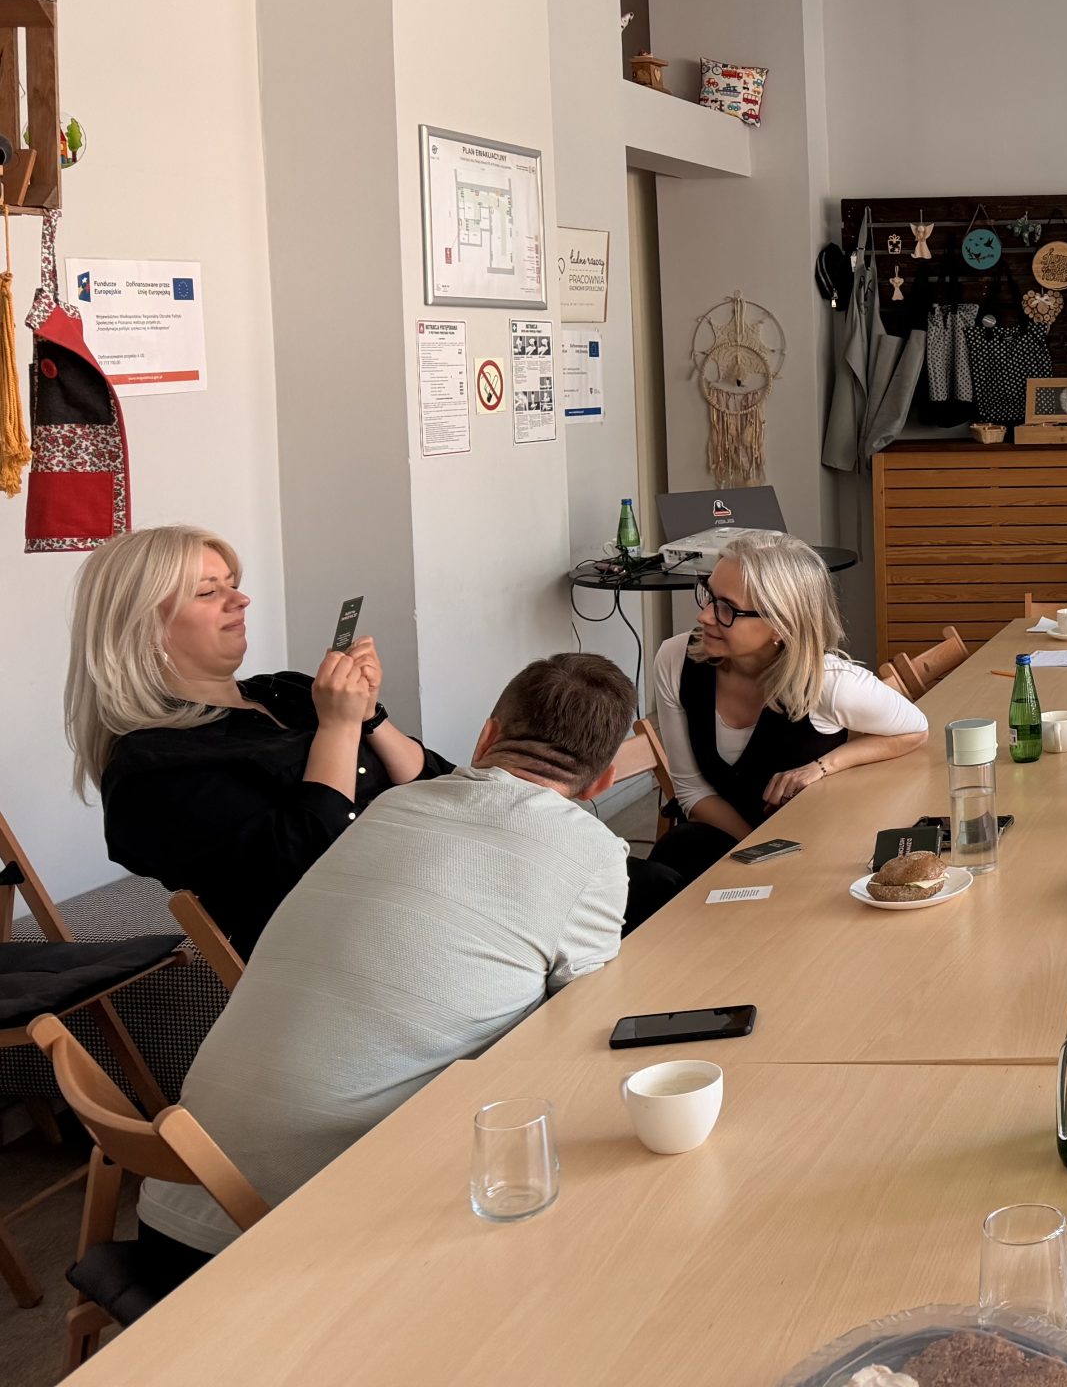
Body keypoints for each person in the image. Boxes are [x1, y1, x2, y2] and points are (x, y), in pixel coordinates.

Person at [137, 652, 638, 1268]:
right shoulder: (591, 852)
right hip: (294, 1247)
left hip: (175, 1196)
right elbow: (580, 1026)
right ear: (602, 782)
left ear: (486, 737)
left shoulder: (390, 807)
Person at [68, 525, 448, 955]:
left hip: (438, 897)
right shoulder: (151, 761)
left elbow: (443, 788)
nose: (241, 600)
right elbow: (303, 868)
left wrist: (369, 717)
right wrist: (338, 728)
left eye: (233, 584)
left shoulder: (288, 691)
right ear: (143, 626)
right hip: (349, 954)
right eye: (207, 592)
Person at [638, 531, 928, 900]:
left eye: (727, 608)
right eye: (708, 595)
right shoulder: (675, 660)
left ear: (780, 623)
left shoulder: (829, 683)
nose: (704, 615)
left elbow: (916, 729)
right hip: (728, 844)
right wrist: (760, 852)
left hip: (818, 853)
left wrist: (824, 766)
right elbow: (692, 791)